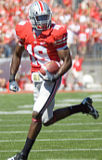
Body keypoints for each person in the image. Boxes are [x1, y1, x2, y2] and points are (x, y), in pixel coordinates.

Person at [8, 1, 99, 160]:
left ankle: (22, 156)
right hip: (37, 77)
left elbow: (67, 61)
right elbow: (17, 54)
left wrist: (55, 76)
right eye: (40, 18)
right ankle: (83, 107)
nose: (44, 21)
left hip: (52, 77)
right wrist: (11, 78)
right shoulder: (23, 30)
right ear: (32, 19)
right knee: (47, 120)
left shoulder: (56, 32)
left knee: (36, 114)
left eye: (46, 17)